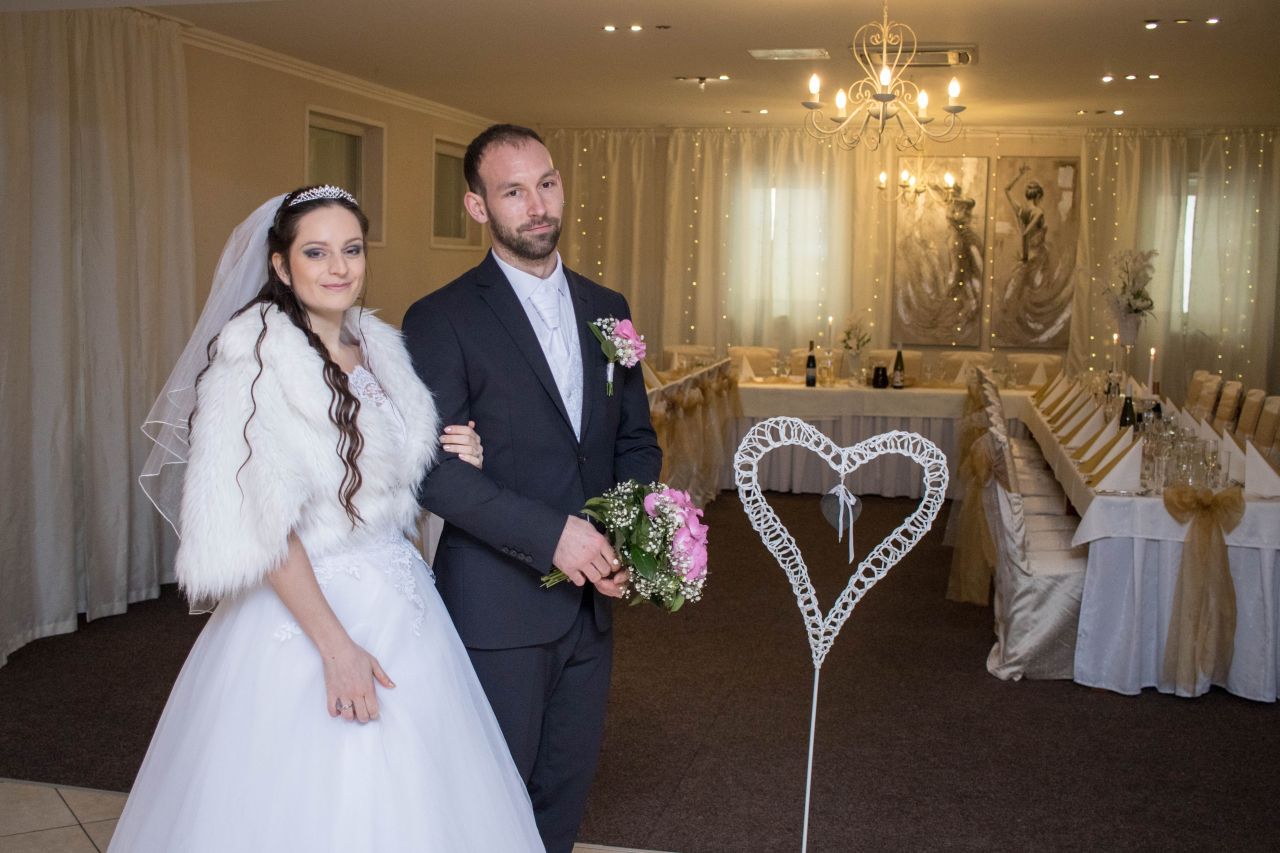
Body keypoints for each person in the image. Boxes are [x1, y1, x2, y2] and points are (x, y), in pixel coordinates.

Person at [116, 187, 544, 851]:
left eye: (351, 249)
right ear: (281, 266)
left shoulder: (378, 347)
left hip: (403, 604)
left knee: (422, 798)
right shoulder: (255, 361)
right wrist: (337, 648)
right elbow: (266, 526)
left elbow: (393, 476)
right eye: (316, 252)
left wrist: (458, 451)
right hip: (308, 613)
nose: (339, 267)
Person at [402, 125, 662, 853]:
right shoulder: (441, 317)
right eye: (513, 191)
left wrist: (621, 535)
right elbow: (433, 472)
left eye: (546, 183)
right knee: (487, 800)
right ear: (478, 206)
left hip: (590, 608)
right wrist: (555, 537)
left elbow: (635, 441)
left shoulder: (609, 306)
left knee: (562, 794)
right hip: (497, 605)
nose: (538, 205)